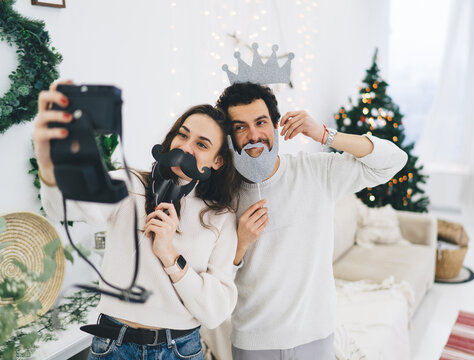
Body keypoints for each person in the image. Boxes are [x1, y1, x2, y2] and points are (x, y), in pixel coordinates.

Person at [33, 82, 241, 360]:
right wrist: (48, 161)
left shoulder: (221, 218)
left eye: (201, 144)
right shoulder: (129, 184)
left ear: (217, 162)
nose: (186, 147)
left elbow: (216, 312)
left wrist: (171, 257)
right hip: (113, 346)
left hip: (179, 350)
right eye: (183, 135)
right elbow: (64, 206)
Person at [215, 82, 408, 359]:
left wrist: (325, 135)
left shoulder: (315, 172)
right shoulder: (221, 196)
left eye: (261, 122)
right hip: (254, 344)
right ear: (229, 136)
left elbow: (393, 160)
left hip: (316, 336)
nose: (254, 135)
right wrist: (240, 243)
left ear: (275, 125)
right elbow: (217, 280)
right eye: (240, 127)